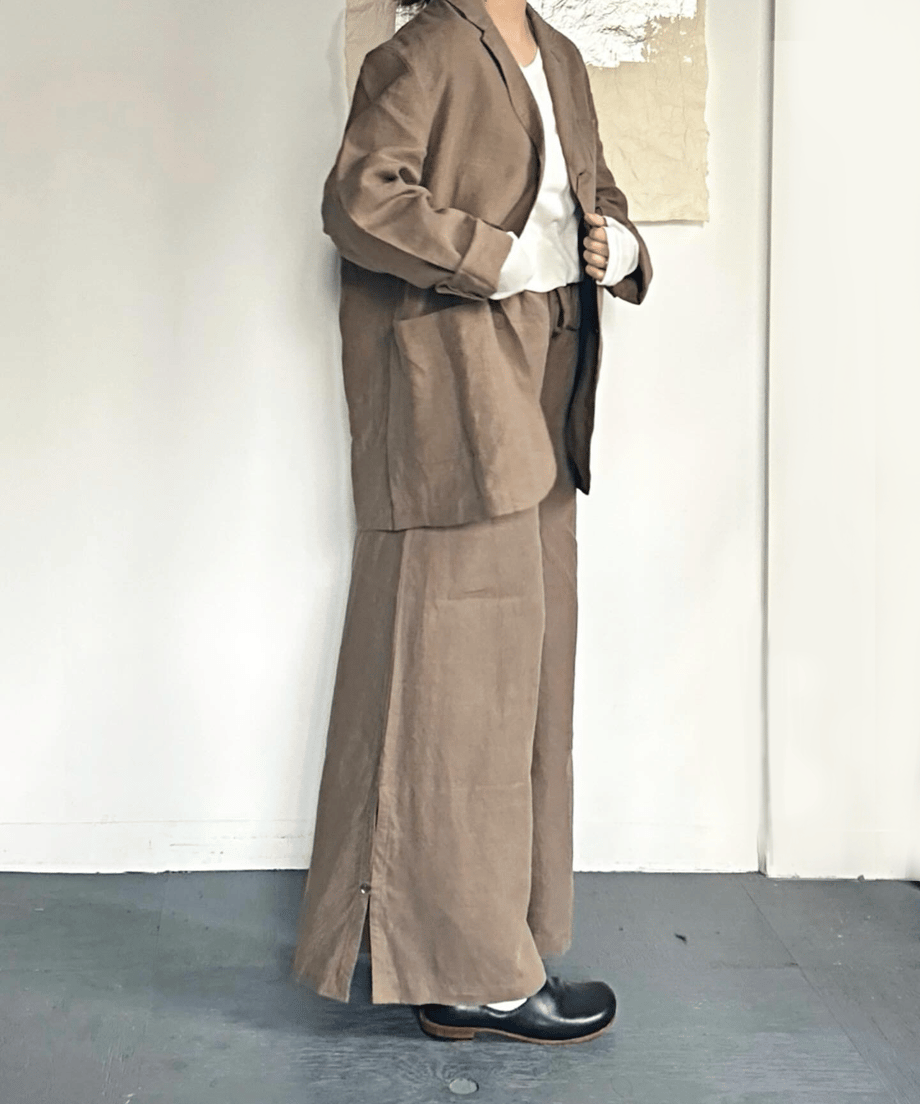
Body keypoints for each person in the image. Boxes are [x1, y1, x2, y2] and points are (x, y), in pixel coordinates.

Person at [291, 0, 652, 1044]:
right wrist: (498, 258)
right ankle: (464, 974)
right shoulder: (424, 50)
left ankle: (506, 941)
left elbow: (591, 194)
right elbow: (359, 199)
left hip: (545, 390)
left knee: (524, 684)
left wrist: (621, 245)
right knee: (455, 686)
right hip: (455, 395)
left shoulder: (560, 54)